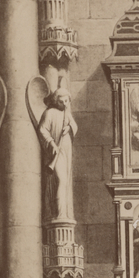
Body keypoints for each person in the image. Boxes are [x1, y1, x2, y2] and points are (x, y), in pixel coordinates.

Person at [38, 87, 77, 222]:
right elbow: (42, 130)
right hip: (56, 152)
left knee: (65, 182)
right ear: (56, 101)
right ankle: (60, 214)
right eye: (61, 102)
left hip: (67, 151)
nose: (65, 104)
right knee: (61, 180)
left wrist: (70, 127)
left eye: (66, 101)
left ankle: (64, 213)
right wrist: (52, 143)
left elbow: (74, 125)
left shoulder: (67, 113)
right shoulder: (50, 113)